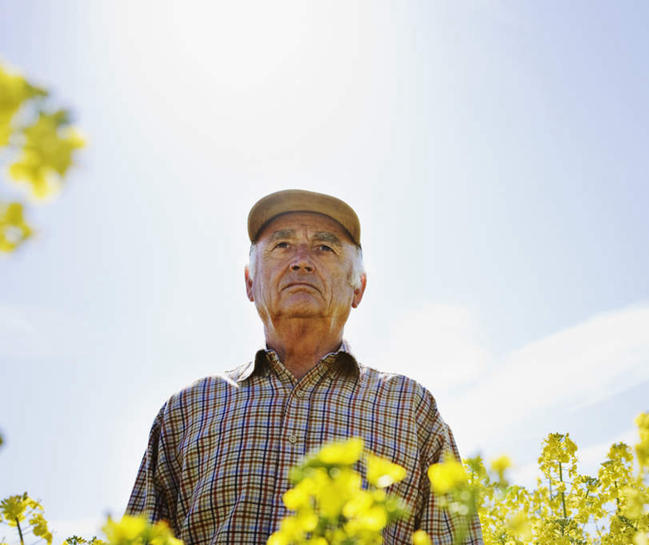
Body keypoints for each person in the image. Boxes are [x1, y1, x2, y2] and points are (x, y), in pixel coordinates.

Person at [125, 189, 483, 545]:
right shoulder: (187, 410)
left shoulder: (409, 406)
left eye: (324, 248)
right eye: (282, 246)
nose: (301, 261)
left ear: (358, 287)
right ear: (250, 283)